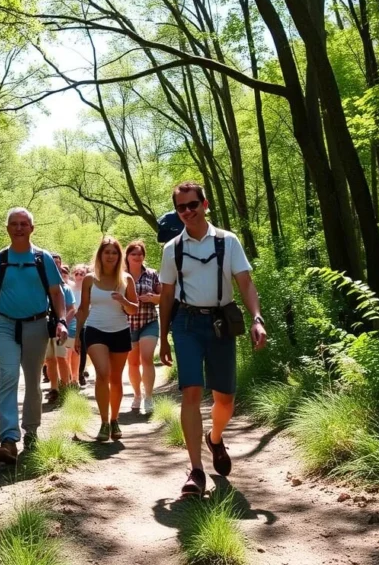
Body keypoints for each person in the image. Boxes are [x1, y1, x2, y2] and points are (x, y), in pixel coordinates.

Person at [158, 182, 267, 497]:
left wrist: (257, 319)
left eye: (193, 205)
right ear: (177, 212)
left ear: (205, 204)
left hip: (221, 324)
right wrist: (164, 338)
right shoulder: (172, 249)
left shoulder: (227, 242)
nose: (188, 212)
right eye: (181, 208)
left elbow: (245, 283)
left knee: (225, 399)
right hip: (186, 323)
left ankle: (215, 438)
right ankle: (196, 471)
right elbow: (166, 297)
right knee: (191, 392)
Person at [0, 208, 69, 465]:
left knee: (32, 380)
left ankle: (31, 431)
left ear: (32, 227)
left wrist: (61, 321)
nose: (18, 228)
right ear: (7, 228)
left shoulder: (43, 259)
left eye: (24, 224)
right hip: (5, 325)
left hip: (37, 325)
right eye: (14, 224)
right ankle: (8, 439)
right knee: (7, 376)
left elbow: (56, 293)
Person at [74, 237, 138, 442]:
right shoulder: (90, 280)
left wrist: (124, 300)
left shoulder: (126, 279)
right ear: (100, 255)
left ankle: (114, 419)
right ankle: (103, 422)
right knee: (103, 373)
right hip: (95, 330)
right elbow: (83, 309)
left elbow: (133, 309)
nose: (110, 256)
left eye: (114, 252)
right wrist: (77, 335)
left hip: (120, 330)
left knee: (116, 379)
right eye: (107, 252)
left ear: (119, 256)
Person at [124, 240, 161, 415]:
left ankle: (149, 397)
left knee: (146, 359)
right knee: (132, 362)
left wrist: (153, 297)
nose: (137, 257)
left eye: (140, 254)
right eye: (134, 254)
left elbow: (164, 297)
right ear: (127, 256)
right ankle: (137, 395)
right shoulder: (121, 275)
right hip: (127, 324)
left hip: (149, 321)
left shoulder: (152, 274)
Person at [44, 256, 77, 404]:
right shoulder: (41, 285)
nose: (55, 266)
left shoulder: (65, 288)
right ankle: (54, 388)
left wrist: (63, 323)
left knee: (61, 357)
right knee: (49, 359)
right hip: (44, 326)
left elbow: (71, 309)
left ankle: (65, 388)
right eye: (53, 264)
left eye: (58, 264)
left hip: (60, 328)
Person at [67, 264, 89, 386]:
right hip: (72, 323)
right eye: (77, 274)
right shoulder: (70, 288)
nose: (79, 276)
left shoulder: (88, 289)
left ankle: (79, 374)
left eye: (82, 274)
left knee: (83, 350)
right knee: (70, 350)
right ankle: (71, 375)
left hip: (85, 323)